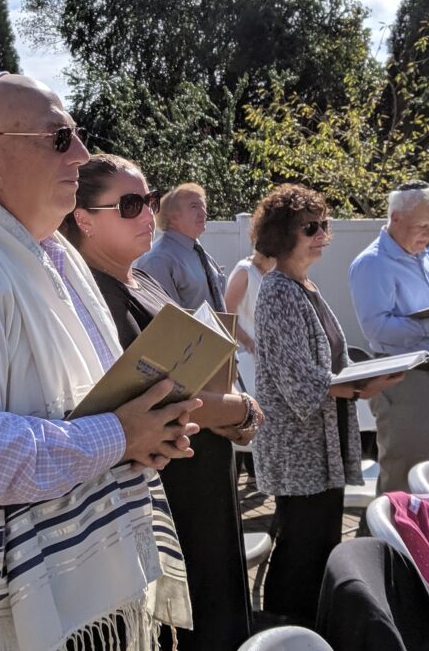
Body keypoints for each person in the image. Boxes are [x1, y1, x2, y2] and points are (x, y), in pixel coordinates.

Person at [0, 72, 201, 651]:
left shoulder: (54, 254)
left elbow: (93, 399)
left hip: (71, 572)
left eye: (77, 134)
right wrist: (118, 438)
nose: (81, 153)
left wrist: (147, 432)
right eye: (57, 138)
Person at [62, 153, 262, 651]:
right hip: (163, 493)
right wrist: (239, 411)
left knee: (221, 610)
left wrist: (231, 411)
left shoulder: (141, 279)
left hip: (204, 474)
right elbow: (154, 399)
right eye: (130, 204)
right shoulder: (92, 297)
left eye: (149, 200)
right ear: (84, 218)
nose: (148, 214)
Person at [252, 184, 403, 626]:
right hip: (297, 444)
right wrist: (356, 387)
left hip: (323, 441)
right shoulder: (278, 289)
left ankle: (312, 625)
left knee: (319, 542)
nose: (322, 233)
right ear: (283, 235)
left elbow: (334, 359)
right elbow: (297, 377)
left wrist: (366, 378)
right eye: (310, 227)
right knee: (302, 545)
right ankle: (284, 625)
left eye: (324, 225)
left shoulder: (305, 286)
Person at [349, 181, 429, 494]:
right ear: (395, 218)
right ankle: (386, 543)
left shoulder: (423, 256)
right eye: (422, 226)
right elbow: (377, 329)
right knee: (404, 479)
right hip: (406, 383)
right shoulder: (373, 263)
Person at [135, 182, 226, 311]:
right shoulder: (158, 260)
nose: (203, 213)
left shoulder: (199, 253)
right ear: (173, 216)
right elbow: (168, 319)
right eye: (194, 206)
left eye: (204, 206)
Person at [224, 247, 275, 355]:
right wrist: (247, 341)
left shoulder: (269, 273)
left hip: (264, 356)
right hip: (244, 355)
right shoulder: (244, 272)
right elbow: (226, 315)